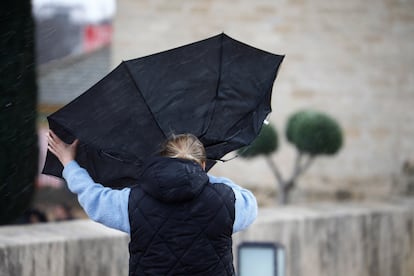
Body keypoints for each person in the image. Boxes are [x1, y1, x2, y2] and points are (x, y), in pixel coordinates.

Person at [47, 130, 258, 275]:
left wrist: (69, 163)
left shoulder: (133, 200)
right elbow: (250, 205)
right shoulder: (226, 200)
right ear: (202, 164)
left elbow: (94, 199)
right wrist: (205, 178)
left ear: (162, 160)